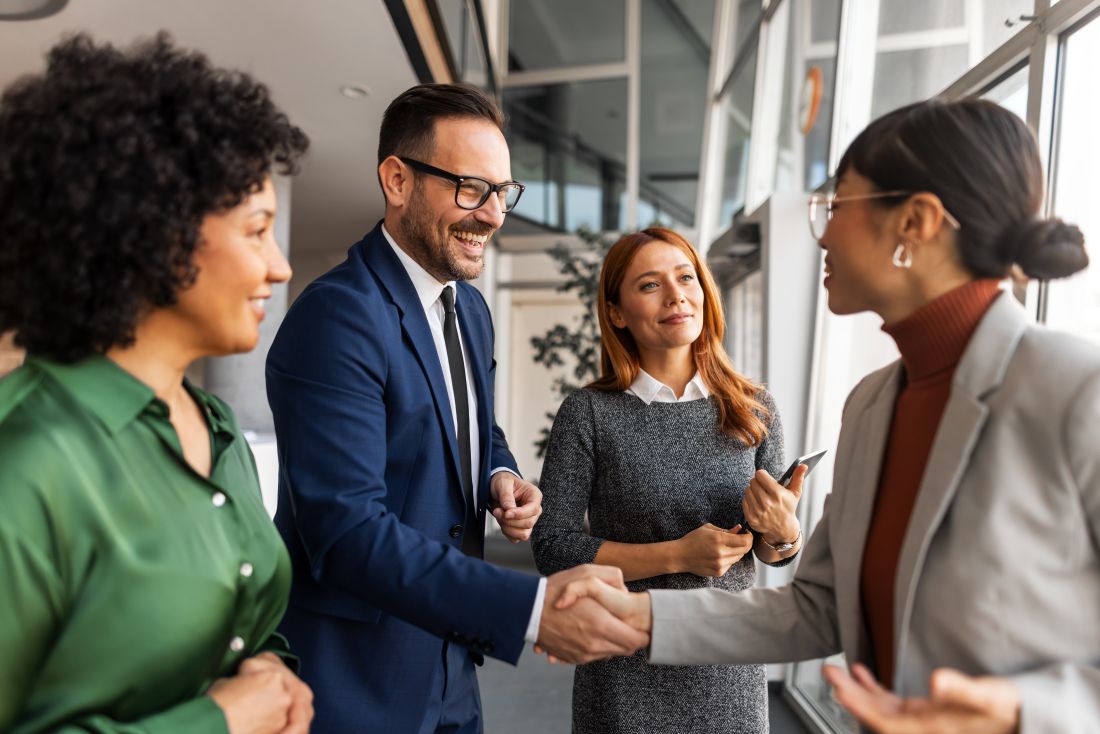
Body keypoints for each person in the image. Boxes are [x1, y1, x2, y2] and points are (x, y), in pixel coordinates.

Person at [552, 98, 1099, 733]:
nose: (824, 233)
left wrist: (1021, 714)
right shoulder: (871, 405)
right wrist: (640, 617)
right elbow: (820, 608)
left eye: (838, 206)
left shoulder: (1075, 390)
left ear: (915, 223)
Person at [266, 82, 648, 734]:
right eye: (472, 188)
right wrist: (531, 609)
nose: (494, 215)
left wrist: (499, 472)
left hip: (450, 661)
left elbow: (469, 424)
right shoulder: (338, 316)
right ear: (397, 180)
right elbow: (346, 530)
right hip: (357, 676)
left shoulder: (469, 308)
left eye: (502, 191)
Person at [0, 34, 313, 733]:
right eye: (257, 230)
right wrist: (219, 722)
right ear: (158, 236)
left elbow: (245, 625)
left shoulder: (220, 432)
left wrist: (268, 666)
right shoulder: (25, 459)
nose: (280, 266)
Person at [532, 227, 803, 733]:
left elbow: (774, 552)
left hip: (730, 672)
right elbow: (552, 546)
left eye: (686, 277)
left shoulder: (755, 407)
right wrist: (677, 555)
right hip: (623, 671)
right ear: (617, 313)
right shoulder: (588, 413)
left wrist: (785, 532)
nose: (676, 295)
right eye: (650, 285)